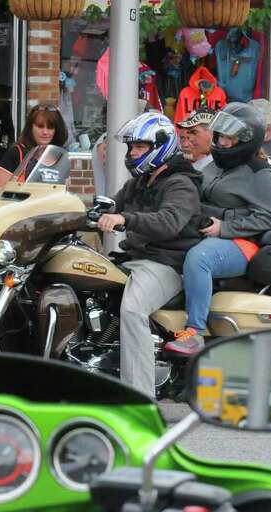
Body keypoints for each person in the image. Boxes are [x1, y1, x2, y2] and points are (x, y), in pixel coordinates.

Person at [166, 103, 271, 355]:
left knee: (199, 259)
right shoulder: (216, 165)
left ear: (246, 140)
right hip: (209, 232)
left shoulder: (260, 173)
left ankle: (194, 333)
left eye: (228, 138)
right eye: (220, 135)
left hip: (245, 243)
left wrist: (226, 226)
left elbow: (268, 217)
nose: (221, 142)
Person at [94, 112, 203, 397]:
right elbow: (111, 206)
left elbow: (169, 222)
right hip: (137, 258)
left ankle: (139, 397)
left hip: (166, 263)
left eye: (139, 147)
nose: (132, 153)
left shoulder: (181, 183)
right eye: (131, 147)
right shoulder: (140, 182)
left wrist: (125, 219)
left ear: (161, 146)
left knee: (132, 309)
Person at [0, 104, 70, 193]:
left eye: (50, 127)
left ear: (57, 130)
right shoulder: (16, 153)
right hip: (22, 206)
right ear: (30, 127)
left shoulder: (62, 157)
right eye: (40, 126)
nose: (45, 132)